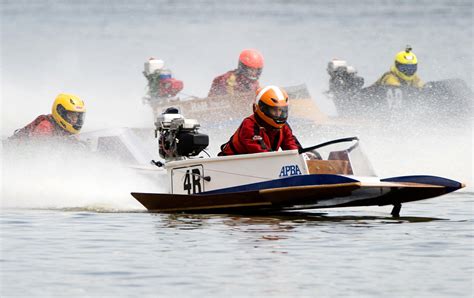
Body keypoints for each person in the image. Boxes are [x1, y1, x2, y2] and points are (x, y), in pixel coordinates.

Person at [218, 85, 301, 156]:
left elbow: (292, 148)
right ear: (263, 108)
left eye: (281, 110)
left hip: (258, 167)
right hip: (231, 165)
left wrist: (305, 156)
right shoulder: (249, 125)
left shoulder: (284, 126)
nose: (278, 114)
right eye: (274, 110)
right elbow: (262, 153)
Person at [9, 93, 86, 140]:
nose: (74, 120)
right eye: (71, 115)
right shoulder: (45, 127)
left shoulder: (69, 130)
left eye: (77, 116)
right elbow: (38, 152)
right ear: (60, 112)